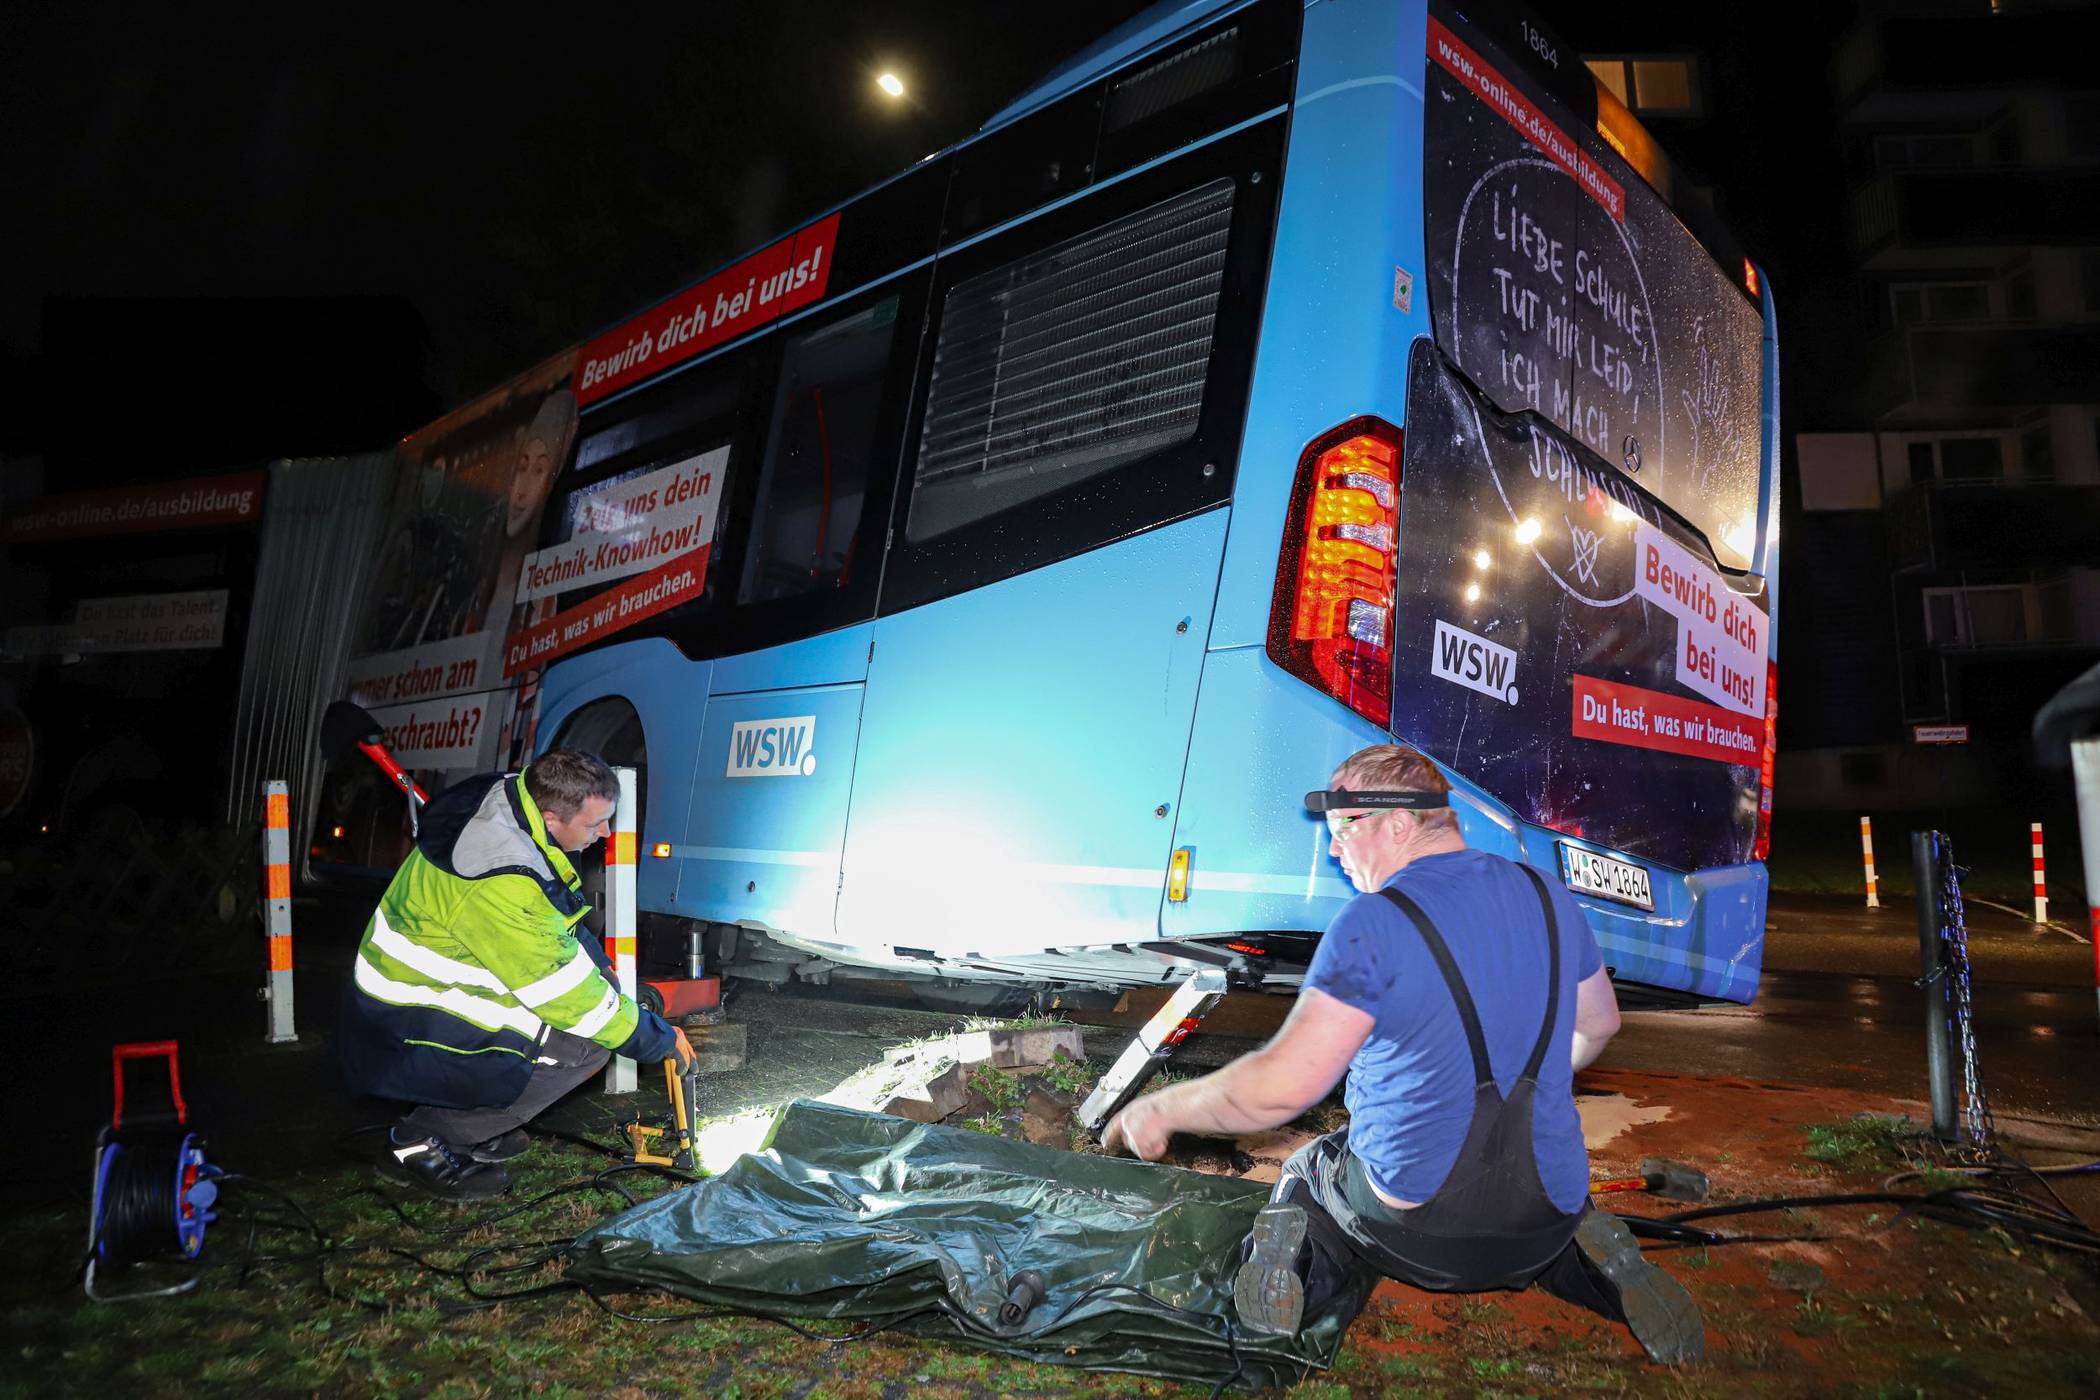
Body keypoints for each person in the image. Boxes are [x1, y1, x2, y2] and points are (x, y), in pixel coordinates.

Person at [1103, 743, 1704, 1363]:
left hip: (1417, 1232)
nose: (1335, 848)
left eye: (1343, 829)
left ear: (1397, 823)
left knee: (1310, 1170)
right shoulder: (1547, 895)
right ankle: (1594, 1269)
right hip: (1542, 1219)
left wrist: (1163, 1109)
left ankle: (1300, 1290)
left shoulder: (1375, 921)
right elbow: (1599, 1025)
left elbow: (1279, 1090)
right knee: (1538, 1210)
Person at [339, 747, 690, 1201]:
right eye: (595, 824)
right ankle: (421, 1141)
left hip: (427, 977)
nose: (605, 834)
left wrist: (601, 969)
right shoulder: (503, 878)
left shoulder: (510, 801)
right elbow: (569, 998)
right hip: (411, 1006)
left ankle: (476, 1119)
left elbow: (553, 916)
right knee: (582, 1047)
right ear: (550, 817)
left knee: (596, 1002)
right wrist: (658, 1038)